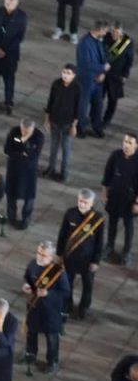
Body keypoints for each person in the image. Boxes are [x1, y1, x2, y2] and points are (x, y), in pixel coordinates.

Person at [56, 189, 104, 321]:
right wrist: (59, 254)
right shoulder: (70, 213)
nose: (82, 204)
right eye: (80, 201)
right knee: (67, 283)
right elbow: (62, 235)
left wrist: (96, 261)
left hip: (87, 259)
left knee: (87, 285)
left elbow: (99, 242)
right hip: (70, 256)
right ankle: (67, 304)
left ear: (92, 203)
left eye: (85, 202)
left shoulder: (97, 219)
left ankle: (84, 308)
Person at [22, 240, 69, 374]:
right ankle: (31, 354)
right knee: (31, 332)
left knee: (51, 337)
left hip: (51, 311)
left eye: (43, 255)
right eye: (38, 253)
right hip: (34, 306)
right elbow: (27, 278)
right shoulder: (32, 264)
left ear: (51, 257)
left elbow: (65, 292)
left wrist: (48, 294)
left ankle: (52, 361)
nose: (39, 257)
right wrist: (27, 286)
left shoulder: (58, 272)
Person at [0, 0, 27, 114]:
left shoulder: (21, 16)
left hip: (10, 55)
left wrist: (5, 50)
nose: (8, 1)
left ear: (17, 2)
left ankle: (8, 103)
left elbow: (19, 37)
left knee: (9, 80)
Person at [101, 132, 138, 266]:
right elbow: (107, 174)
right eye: (125, 142)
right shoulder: (115, 155)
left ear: (136, 145)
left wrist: (137, 203)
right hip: (114, 196)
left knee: (128, 227)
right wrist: (104, 193)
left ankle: (126, 252)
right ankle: (109, 246)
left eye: (130, 143)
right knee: (112, 223)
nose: (126, 145)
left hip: (130, 200)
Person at [3, 118, 44, 230]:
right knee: (11, 194)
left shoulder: (38, 136)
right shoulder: (14, 132)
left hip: (29, 171)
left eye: (27, 131)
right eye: (23, 130)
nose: (24, 133)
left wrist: (24, 143)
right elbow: (7, 149)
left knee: (29, 196)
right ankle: (11, 217)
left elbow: (34, 155)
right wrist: (22, 146)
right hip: (14, 169)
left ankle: (26, 219)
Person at [42, 64, 79, 182]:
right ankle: (51, 168)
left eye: (68, 73)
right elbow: (50, 102)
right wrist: (47, 120)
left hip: (67, 123)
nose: (65, 75)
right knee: (53, 146)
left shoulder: (77, 88)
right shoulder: (56, 84)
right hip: (54, 121)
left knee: (65, 148)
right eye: (64, 72)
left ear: (74, 75)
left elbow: (78, 109)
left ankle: (64, 172)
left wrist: (74, 126)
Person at [75, 20, 110, 138]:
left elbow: (103, 57)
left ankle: (96, 127)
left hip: (97, 81)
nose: (106, 34)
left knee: (98, 105)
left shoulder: (98, 41)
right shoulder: (84, 44)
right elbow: (85, 64)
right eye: (105, 31)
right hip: (86, 80)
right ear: (99, 30)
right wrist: (102, 68)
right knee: (83, 105)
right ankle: (80, 128)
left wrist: (103, 73)